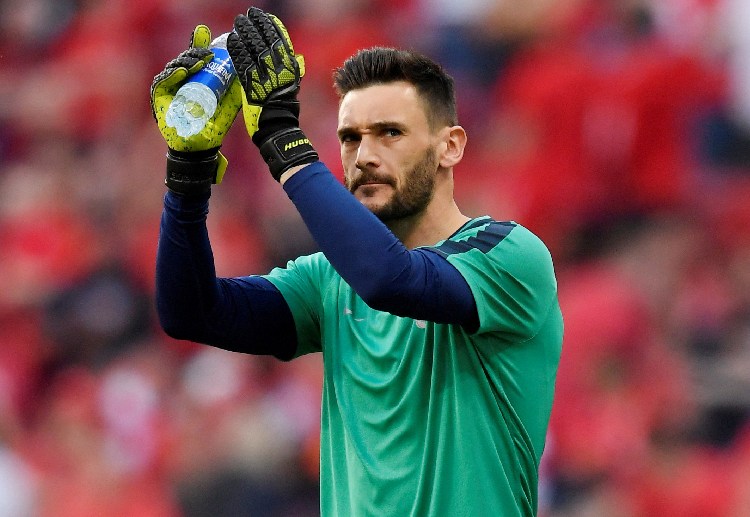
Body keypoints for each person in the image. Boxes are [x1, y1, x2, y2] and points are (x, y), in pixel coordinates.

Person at [150, 7, 563, 516]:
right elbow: (190, 313)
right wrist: (188, 174)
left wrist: (283, 143)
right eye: (350, 137)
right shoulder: (330, 279)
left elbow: (391, 280)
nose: (364, 155)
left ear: (450, 146)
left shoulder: (510, 255)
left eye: (390, 133)